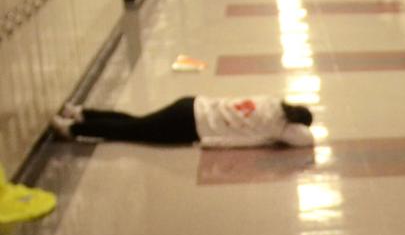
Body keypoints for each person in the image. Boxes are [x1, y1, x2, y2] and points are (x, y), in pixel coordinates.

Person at [51, 96, 315, 148]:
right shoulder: (278, 127)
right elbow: (306, 139)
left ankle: (81, 113)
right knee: (131, 131)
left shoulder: (270, 102)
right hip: (191, 126)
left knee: (137, 122)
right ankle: (73, 128)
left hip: (191, 104)